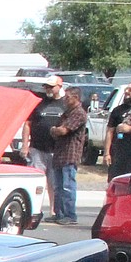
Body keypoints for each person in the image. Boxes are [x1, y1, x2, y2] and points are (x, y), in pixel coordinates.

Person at [21, 75, 66, 216]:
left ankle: (53, 210)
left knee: (53, 182)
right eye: (46, 86)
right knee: (36, 180)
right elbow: (27, 124)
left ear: (59, 86)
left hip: (56, 149)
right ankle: (34, 209)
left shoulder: (65, 104)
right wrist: (25, 145)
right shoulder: (39, 104)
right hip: (37, 148)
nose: (48, 89)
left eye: (51, 87)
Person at [48, 85, 88, 226]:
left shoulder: (79, 113)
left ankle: (70, 215)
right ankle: (59, 214)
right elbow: (55, 129)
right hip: (60, 154)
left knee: (67, 186)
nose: (65, 99)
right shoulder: (67, 113)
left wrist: (56, 130)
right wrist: (55, 130)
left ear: (76, 97)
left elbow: (63, 130)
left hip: (70, 155)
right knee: (58, 186)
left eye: (68, 96)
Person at [103, 77, 131, 179]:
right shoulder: (122, 109)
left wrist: (129, 129)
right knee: (115, 183)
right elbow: (110, 130)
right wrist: (107, 152)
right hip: (120, 154)